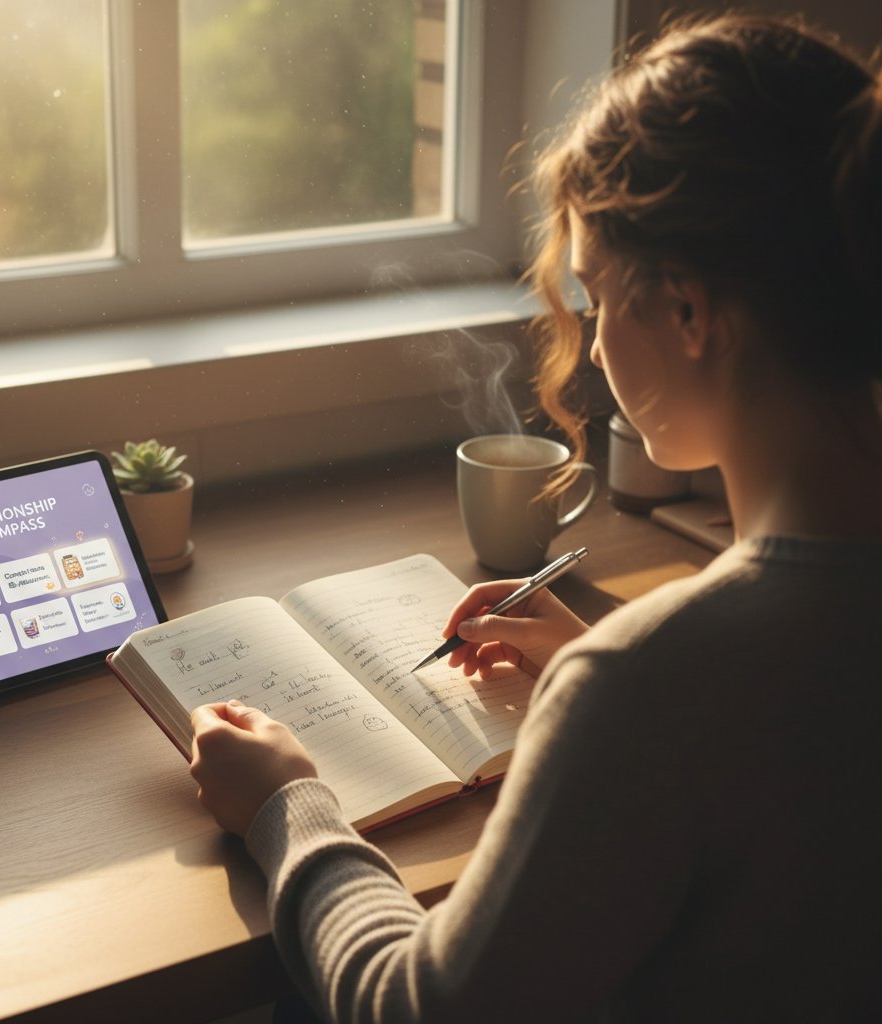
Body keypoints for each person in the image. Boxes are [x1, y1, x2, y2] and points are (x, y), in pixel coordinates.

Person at [189, 13, 882, 1021]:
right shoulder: (681, 670)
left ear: (689, 313)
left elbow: (419, 1007)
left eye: (595, 296)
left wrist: (285, 808)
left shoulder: (647, 686)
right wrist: (597, 663)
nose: (591, 346)